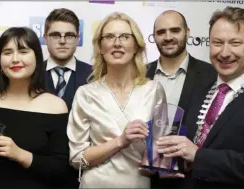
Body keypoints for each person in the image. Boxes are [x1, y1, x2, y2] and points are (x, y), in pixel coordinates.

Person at [155, 6, 244, 188]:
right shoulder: (201, 86)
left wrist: (199, 156)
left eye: (235, 43)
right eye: (218, 43)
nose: (225, 53)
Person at [0, 27, 74, 188]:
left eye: (23, 51)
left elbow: (62, 170)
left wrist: (20, 154)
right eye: (7, 52)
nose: (15, 59)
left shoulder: (55, 106)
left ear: (37, 59)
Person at [67, 12, 168, 188]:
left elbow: (159, 152)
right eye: (109, 37)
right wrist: (120, 141)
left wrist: (162, 162)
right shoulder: (85, 94)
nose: (117, 43)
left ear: (136, 45)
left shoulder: (153, 90)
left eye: (125, 37)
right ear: (100, 47)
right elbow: (77, 159)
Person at [147, 10, 217, 189]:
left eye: (175, 30)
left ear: (187, 32)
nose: (168, 37)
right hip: (144, 177)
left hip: (190, 179)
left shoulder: (212, 76)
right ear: (153, 36)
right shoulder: (140, 75)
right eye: (161, 32)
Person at [43, 8, 92, 111]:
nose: (62, 41)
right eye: (55, 35)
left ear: (78, 39)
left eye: (69, 35)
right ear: (45, 38)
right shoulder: (32, 73)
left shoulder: (93, 75)